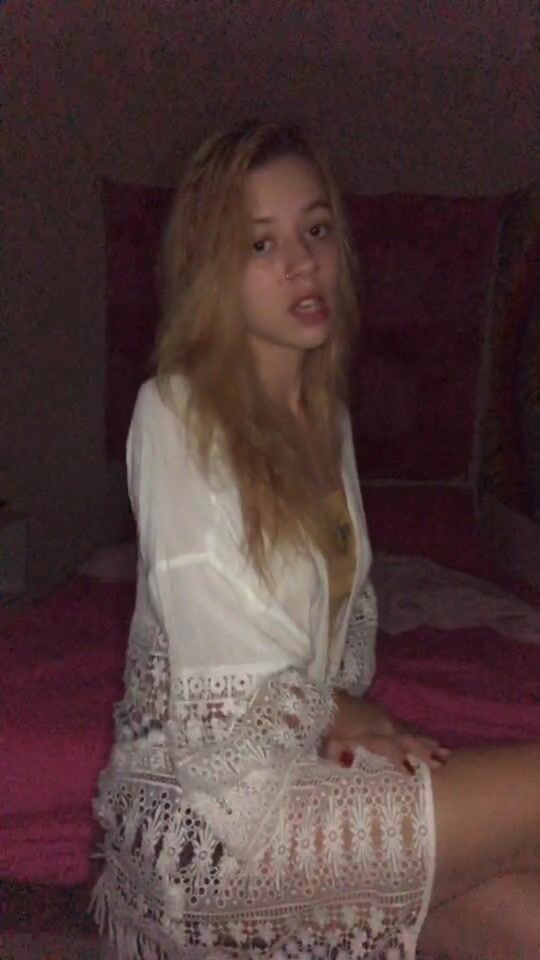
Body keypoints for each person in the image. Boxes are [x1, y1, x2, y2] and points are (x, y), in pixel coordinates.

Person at [92, 121, 540, 960]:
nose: (301, 263)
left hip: (299, 774)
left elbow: (319, 658)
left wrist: (348, 718)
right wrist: (349, 711)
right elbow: (232, 684)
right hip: (216, 828)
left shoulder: (325, 417)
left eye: (317, 230)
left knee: (526, 919)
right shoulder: (178, 412)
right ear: (213, 270)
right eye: (261, 244)